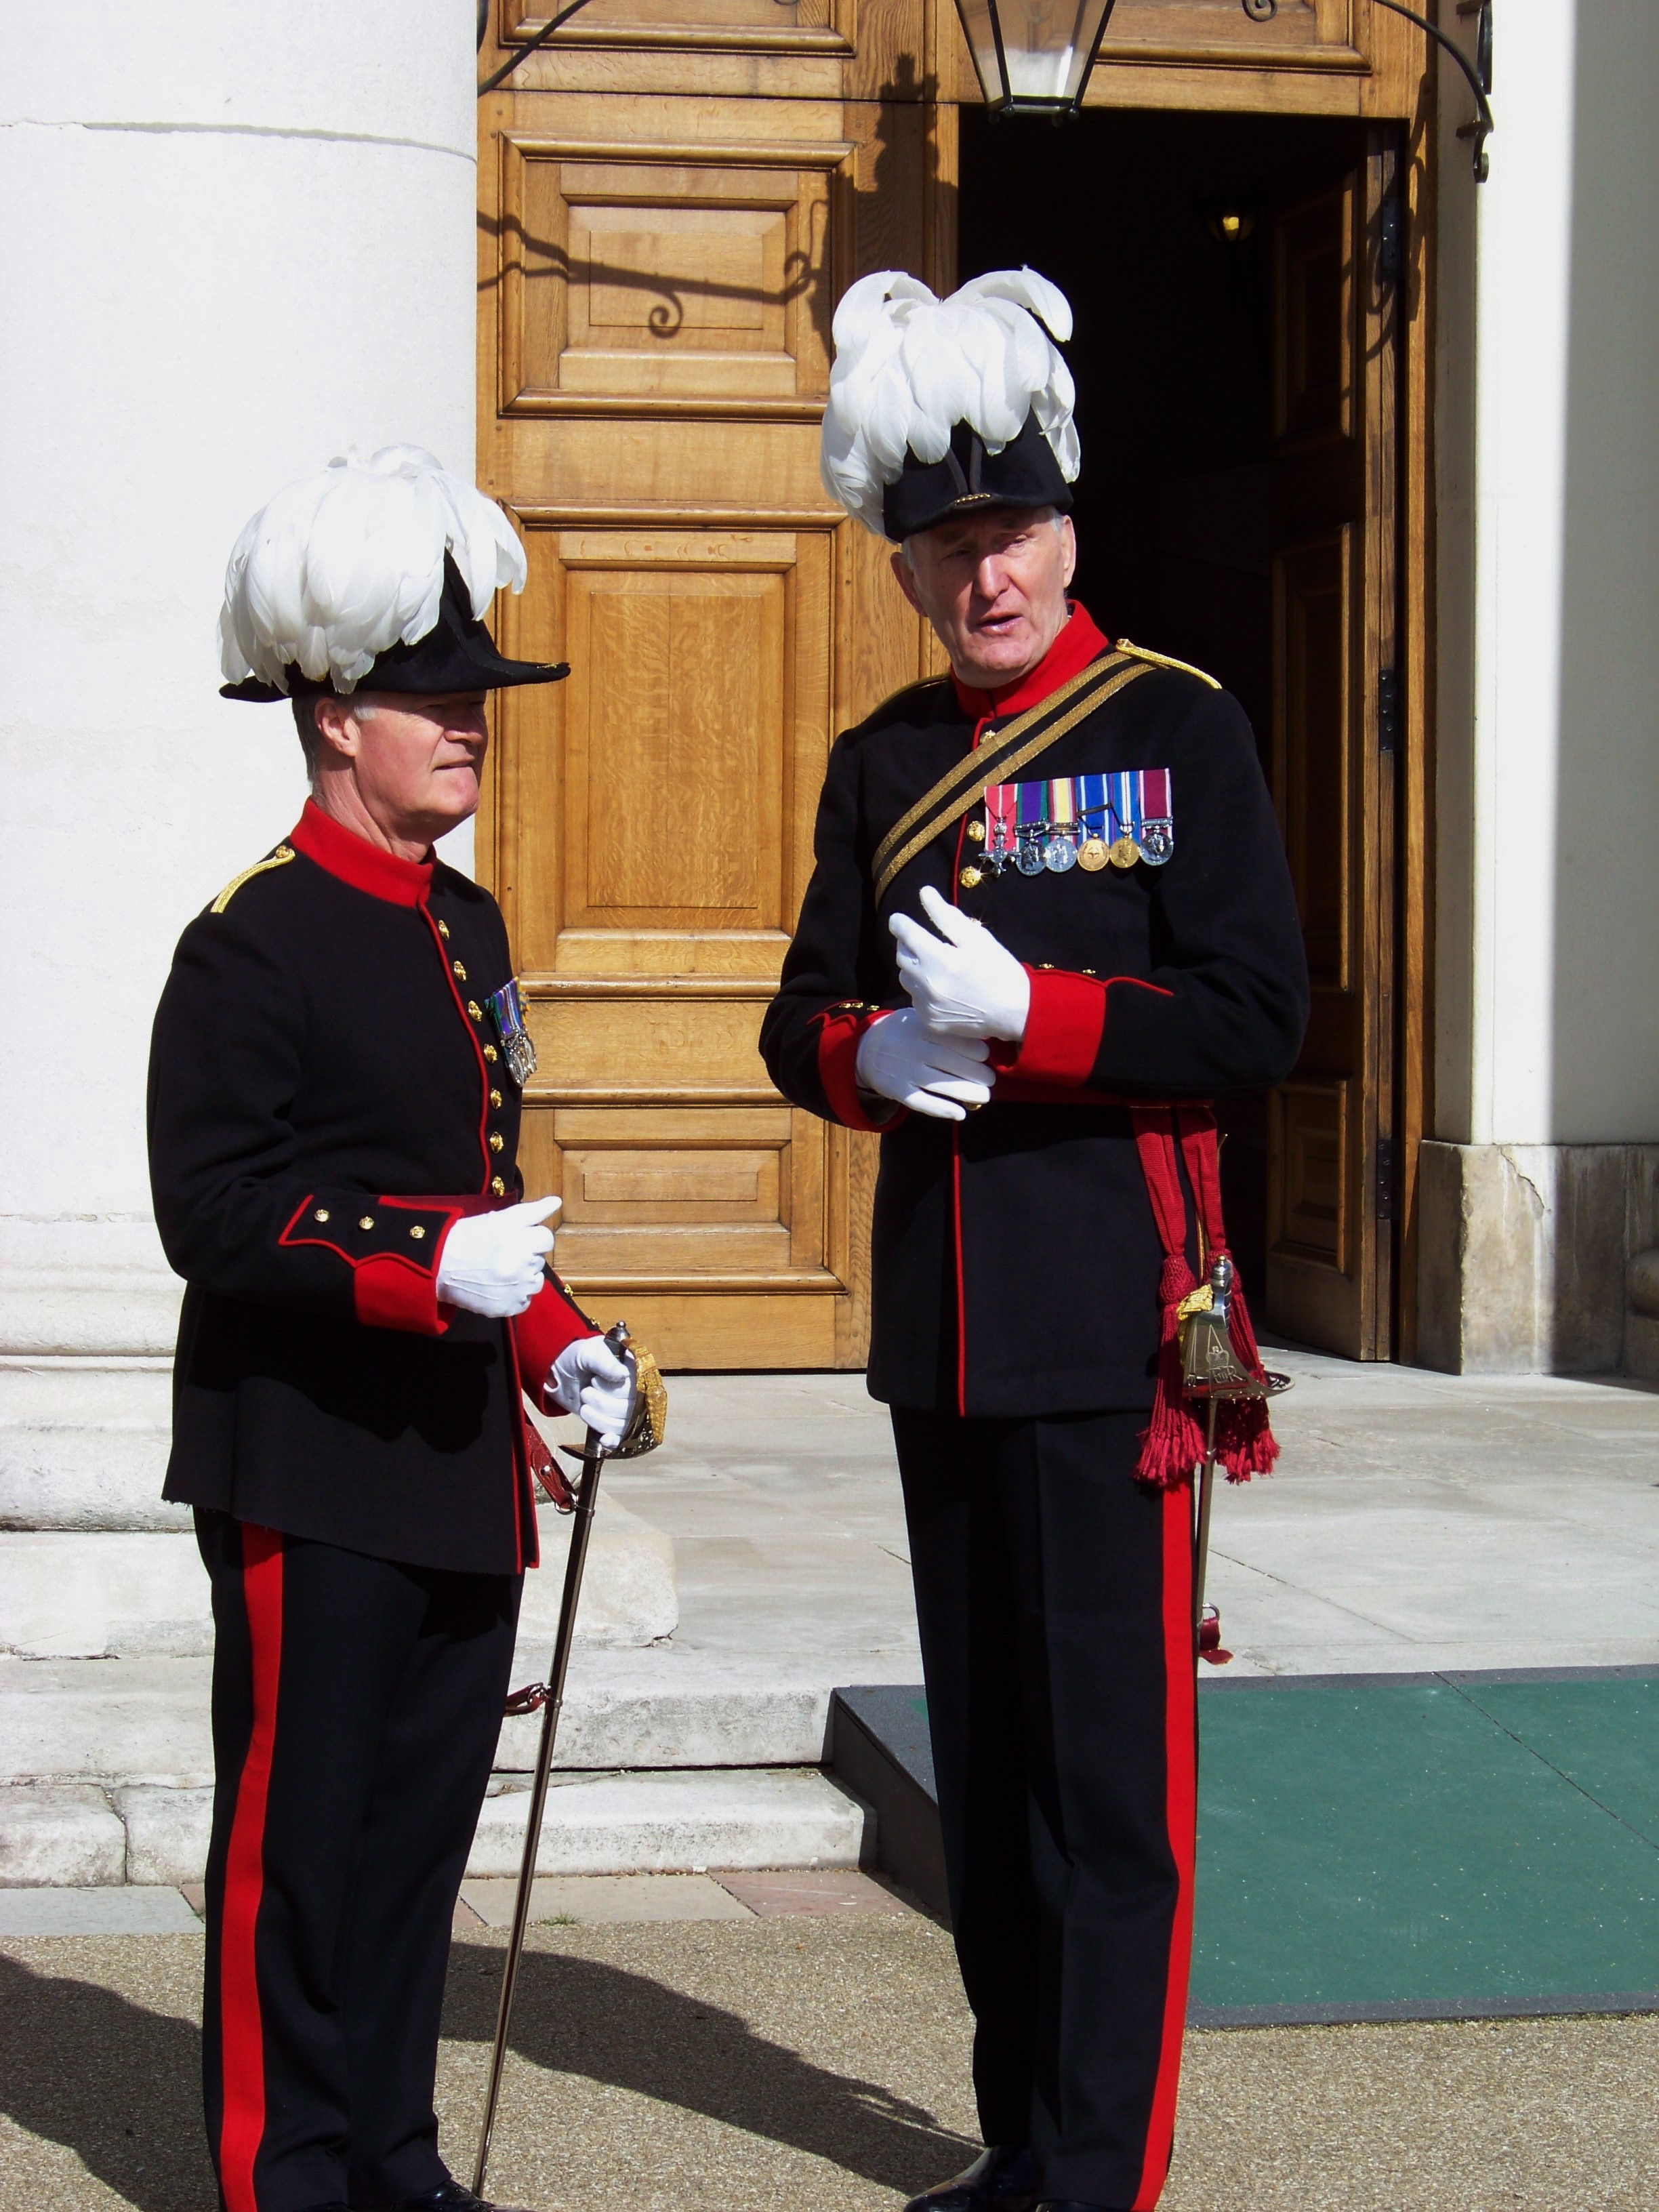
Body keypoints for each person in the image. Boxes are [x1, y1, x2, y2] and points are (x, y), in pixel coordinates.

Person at [761, 273, 1309, 2212]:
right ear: (906, 570)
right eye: (943, 547)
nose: (981, 576)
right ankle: (1022, 2150)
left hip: (1115, 1332)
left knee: (1107, 1795)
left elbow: (1258, 1016)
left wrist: (1043, 1021)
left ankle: (1100, 2176)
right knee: (988, 1788)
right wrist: (879, 1053)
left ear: (1067, 527)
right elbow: (795, 1019)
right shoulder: (883, 759)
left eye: (1007, 536)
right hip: (950, 1339)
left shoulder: (1178, 729)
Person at [149, 446, 633, 2212]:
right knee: (300, 1845)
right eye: (434, 699)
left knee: (421, 1841)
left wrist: (554, 1339)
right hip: (313, 1453)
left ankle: (395, 2157)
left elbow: (484, 1165)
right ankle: (286, 2173)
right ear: (334, 717)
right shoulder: (250, 946)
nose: (469, 723)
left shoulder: (468, 919)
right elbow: (213, 1210)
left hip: (450, 1459)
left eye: (474, 695)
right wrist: (430, 1268)